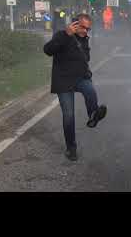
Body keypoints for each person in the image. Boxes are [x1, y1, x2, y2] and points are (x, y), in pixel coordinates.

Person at [43, 13, 107, 161]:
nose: (86, 31)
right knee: (69, 116)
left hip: (79, 78)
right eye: (84, 28)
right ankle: (71, 148)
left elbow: (86, 58)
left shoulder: (84, 38)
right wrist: (67, 35)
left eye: (88, 29)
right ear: (75, 24)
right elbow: (47, 50)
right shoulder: (61, 34)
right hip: (63, 81)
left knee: (90, 90)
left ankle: (93, 115)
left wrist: (83, 42)